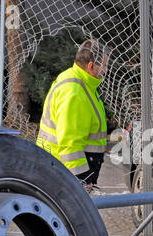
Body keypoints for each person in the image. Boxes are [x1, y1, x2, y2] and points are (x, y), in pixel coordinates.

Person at [36, 39, 111, 192]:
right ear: (91, 66)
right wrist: (81, 179)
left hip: (58, 168)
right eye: (104, 65)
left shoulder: (80, 82)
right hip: (62, 174)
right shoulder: (74, 92)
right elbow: (70, 144)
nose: (106, 70)